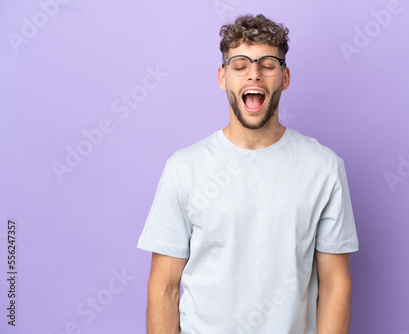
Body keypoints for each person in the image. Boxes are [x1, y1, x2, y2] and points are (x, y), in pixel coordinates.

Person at [137, 13, 359, 334]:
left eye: (267, 65)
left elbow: (336, 283)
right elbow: (164, 287)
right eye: (240, 65)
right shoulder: (184, 168)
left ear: (284, 77)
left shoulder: (323, 168)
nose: (254, 75)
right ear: (222, 77)